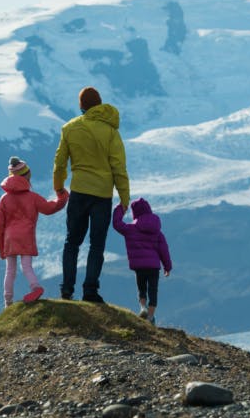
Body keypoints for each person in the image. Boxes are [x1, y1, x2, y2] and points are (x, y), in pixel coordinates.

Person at [53, 86, 131, 303]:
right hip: (102, 195)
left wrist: (58, 187)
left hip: (79, 192)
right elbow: (119, 167)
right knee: (97, 245)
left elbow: (60, 163)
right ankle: (90, 291)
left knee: (72, 242)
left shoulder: (69, 128)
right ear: (99, 104)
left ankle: (66, 289)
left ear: (81, 106)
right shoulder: (111, 131)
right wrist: (125, 198)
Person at [0, 156, 68, 307]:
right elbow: (49, 208)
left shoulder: (4, 199)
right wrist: (62, 197)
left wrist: (1, 248)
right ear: (27, 176)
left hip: (9, 238)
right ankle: (35, 287)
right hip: (26, 236)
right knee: (27, 266)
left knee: (10, 270)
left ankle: (8, 301)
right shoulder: (32, 197)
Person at [112, 197, 172, 325]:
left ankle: (143, 307)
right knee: (153, 290)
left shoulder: (130, 229)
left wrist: (120, 208)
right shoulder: (157, 231)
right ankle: (150, 317)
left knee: (142, 288)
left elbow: (116, 223)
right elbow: (164, 250)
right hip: (154, 267)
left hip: (139, 267)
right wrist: (167, 266)